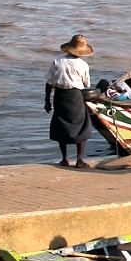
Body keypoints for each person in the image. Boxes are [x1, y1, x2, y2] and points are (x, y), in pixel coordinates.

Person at [45, 34, 95, 168]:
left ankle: (64, 159)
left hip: (60, 97)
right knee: (82, 125)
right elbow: (86, 84)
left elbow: (49, 83)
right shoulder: (83, 65)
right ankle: (79, 160)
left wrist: (47, 101)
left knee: (61, 125)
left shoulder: (57, 62)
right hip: (76, 96)